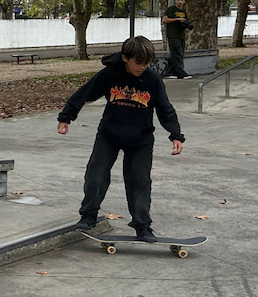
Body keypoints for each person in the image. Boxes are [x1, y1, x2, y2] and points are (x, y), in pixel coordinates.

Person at [56, 36, 185, 242]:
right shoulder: (110, 75)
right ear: (125, 58)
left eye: (146, 63)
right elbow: (85, 92)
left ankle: (142, 225)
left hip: (141, 139)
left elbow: (164, 108)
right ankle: (89, 215)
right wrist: (66, 117)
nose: (142, 67)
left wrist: (175, 134)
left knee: (140, 181)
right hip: (110, 134)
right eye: (138, 63)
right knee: (95, 174)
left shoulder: (152, 79)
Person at [161, 0, 192, 79]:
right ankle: (181, 73)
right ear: (175, 1)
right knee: (177, 54)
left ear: (184, 1)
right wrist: (178, 19)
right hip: (173, 35)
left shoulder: (183, 11)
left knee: (177, 54)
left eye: (182, 0)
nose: (180, 2)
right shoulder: (172, 9)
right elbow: (164, 19)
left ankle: (170, 72)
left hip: (181, 35)